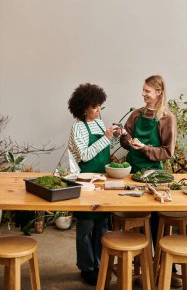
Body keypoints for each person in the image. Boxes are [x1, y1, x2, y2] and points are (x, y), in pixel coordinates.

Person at [120, 74, 181, 287]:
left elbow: (167, 152)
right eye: (143, 90)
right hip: (131, 173)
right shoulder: (136, 114)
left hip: (155, 175)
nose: (143, 93)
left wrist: (144, 148)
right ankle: (139, 266)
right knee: (135, 218)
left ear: (158, 93)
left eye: (147, 91)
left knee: (156, 221)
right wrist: (125, 138)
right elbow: (125, 139)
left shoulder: (167, 118)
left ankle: (167, 268)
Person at [68, 83, 119, 286]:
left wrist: (113, 136)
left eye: (99, 106)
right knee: (85, 227)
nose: (99, 110)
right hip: (85, 182)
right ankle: (87, 268)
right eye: (95, 106)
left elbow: (104, 149)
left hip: (102, 180)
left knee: (102, 226)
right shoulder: (78, 128)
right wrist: (106, 137)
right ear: (83, 108)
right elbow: (85, 155)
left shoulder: (99, 123)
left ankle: (100, 263)